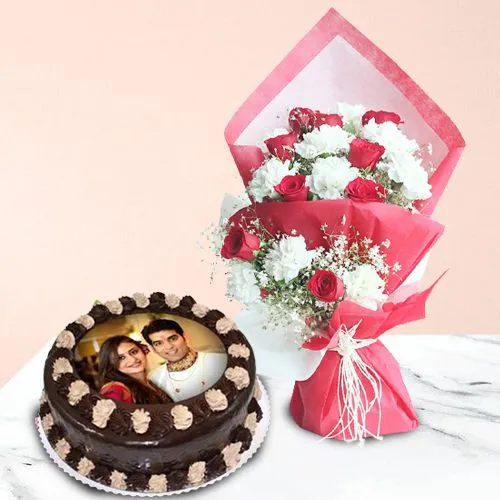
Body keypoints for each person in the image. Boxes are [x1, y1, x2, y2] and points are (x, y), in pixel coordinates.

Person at [142, 319, 226, 402]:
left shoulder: (218, 360)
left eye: (172, 339)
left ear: (184, 337)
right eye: (158, 343)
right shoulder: (155, 379)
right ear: (153, 349)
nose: (168, 347)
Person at [98, 335, 171, 404]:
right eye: (121, 358)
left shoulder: (151, 382)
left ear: (143, 350)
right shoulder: (115, 390)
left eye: (134, 352)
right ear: (111, 364)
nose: (133, 359)